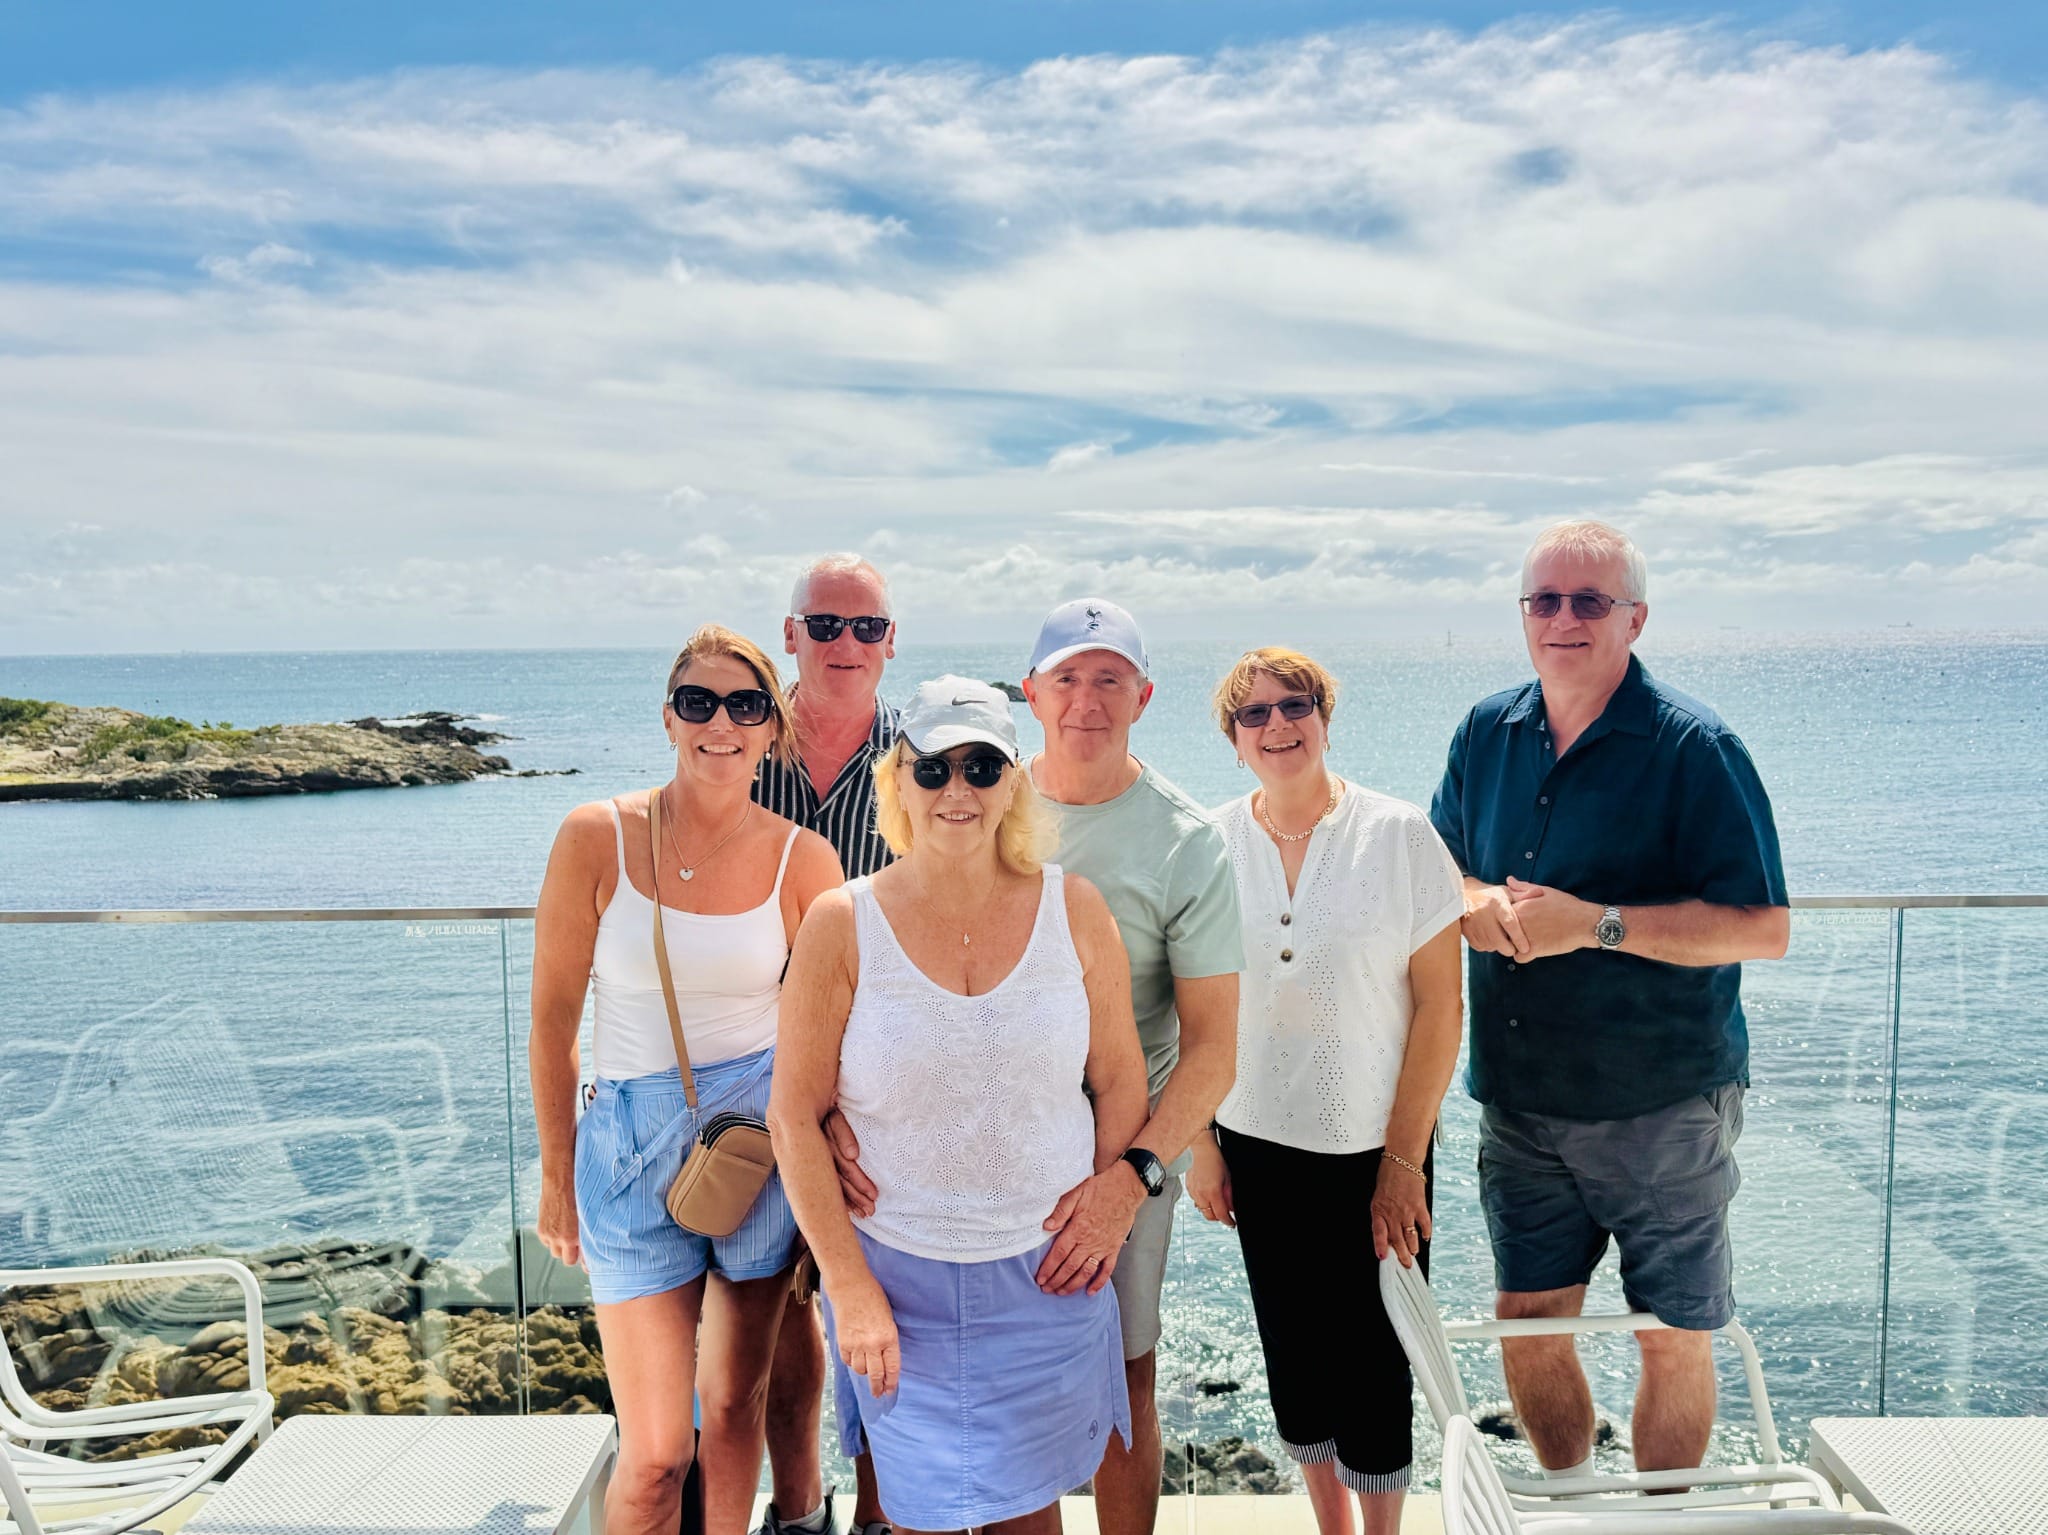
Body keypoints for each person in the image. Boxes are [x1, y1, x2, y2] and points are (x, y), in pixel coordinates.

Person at [1427, 520, 1790, 1483]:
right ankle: (1575, 1498)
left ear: (1636, 617)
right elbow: (1442, 875)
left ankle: (1662, 1515)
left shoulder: (1697, 748)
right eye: (1543, 600)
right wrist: (1477, 904)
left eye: (1588, 601)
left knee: (1674, 1335)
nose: (1563, 618)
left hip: (1663, 1103)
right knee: (1528, 1324)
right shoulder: (1484, 731)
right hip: (1520, 1100)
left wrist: (1596, 924)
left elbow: (1762, 926)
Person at [770, 677, 1150, 1534]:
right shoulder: (842, 922)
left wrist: (1106, 1206)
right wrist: (850, 1285)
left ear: (1014, 781)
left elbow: (1121, 1078)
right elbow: (793, 1116)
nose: (957, 789)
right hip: (897, 1286)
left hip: (1046, 1277)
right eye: (932, 767)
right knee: (915, 1517)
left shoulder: (1076, 909)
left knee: (1033, 1520)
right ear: (897, 782)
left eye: (982, 765)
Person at [531, 624, 843, 1535]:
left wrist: (832, 1181)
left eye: (745, 706)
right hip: (626, 1151)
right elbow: (552, 1021)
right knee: (658, 1450)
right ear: (669, 716)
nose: (721, 723)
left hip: (755, 1149)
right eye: (699, 702)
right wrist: (557, 1177)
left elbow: (829, 1042)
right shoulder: (598, 834)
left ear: (771, 729)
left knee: (738, 1410)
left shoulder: (803, 859)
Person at [1187, 647, 1464, 1535]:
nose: (1277, 725)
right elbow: (1177, 1001)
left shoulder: (1399, 834)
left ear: (1325, 716)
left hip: (1375, 1150)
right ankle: (1331, 1528)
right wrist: (1198, 1143)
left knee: (1379, 1359)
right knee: (1294, 1356)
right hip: (1255, 1144)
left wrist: (1403, 1159)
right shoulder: (1211, 842)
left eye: (1294, 704)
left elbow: (1440, 1008)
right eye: (1254, 714)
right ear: (1233, 740)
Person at [1020, 599, 1243, 1535]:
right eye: (1068, 677)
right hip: (998, 1137)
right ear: (1032, 693)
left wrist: (1135, 1178)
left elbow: (1214, 1049)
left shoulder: (1187, 841)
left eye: (1109, 677)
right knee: (1005, 1372)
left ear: (1144, 695)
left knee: (1125, 1374)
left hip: (1130, 1140)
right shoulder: (978, 797)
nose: (1087, 699)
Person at [754, 554, 902, 1535]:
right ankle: (798, 1506)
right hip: (744, 1071)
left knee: (884, 1297)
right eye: (825, 623)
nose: (843, 643)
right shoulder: (738, 745)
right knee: (771, 1314)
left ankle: (888, 1511)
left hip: (879, 1086)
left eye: (865, 626)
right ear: (790, 634)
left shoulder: (923, 760)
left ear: (890, 643)